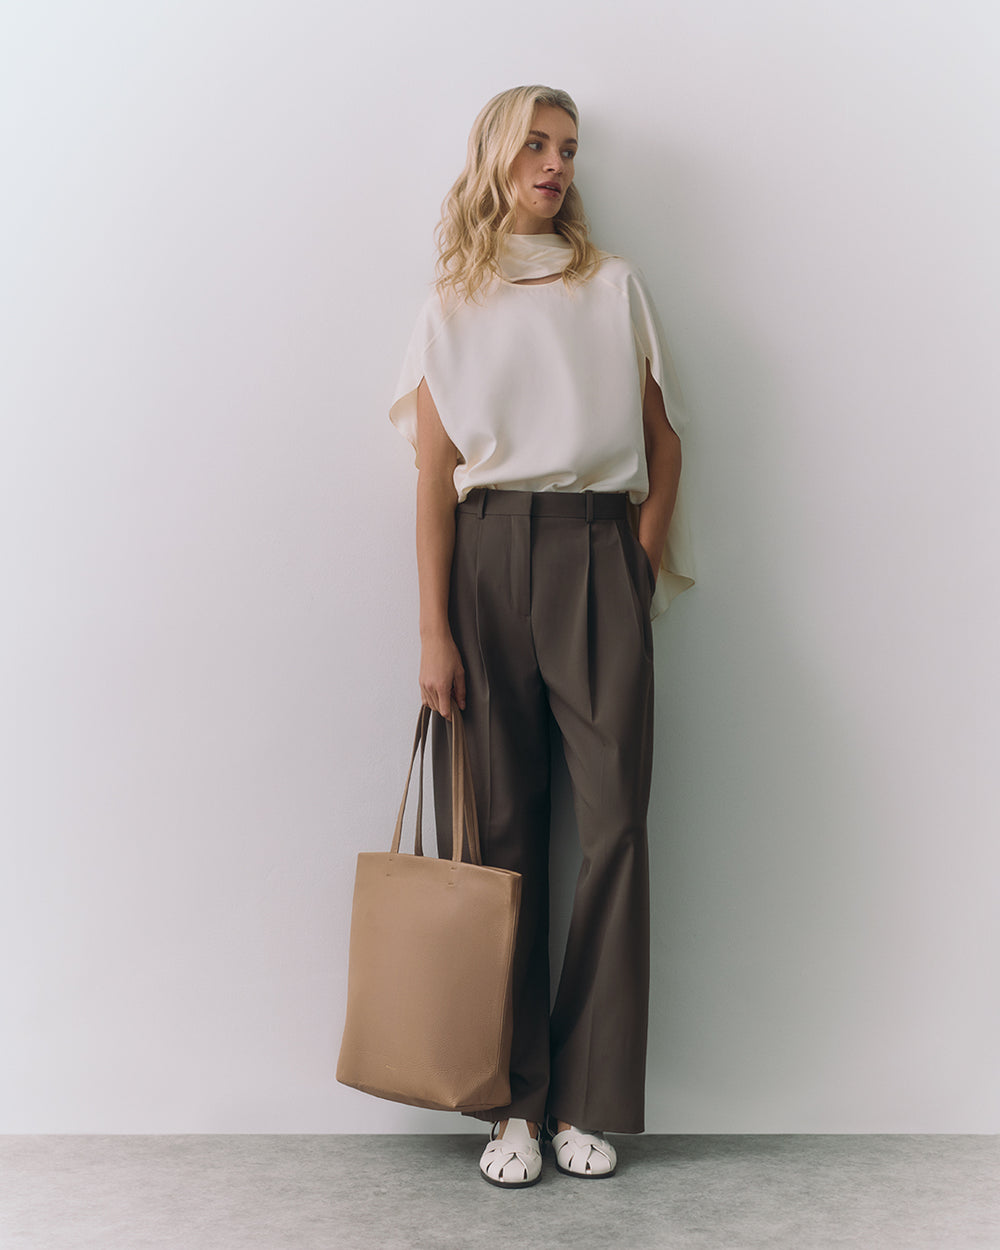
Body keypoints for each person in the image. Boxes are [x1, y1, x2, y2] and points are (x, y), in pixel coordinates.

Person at [388, 85, 694, 1187]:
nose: (556, 163)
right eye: (537, 142)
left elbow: (666, 447)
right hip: (484, 555)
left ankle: (587, 1099)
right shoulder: (450, 302)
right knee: (499, 837)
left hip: (594, 549)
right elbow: (430, 482)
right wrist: (434, 630)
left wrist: (634, 566)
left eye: (568, 149)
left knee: (614, 826)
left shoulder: (611, 287)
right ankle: (512, 1104)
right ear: (496, 154)